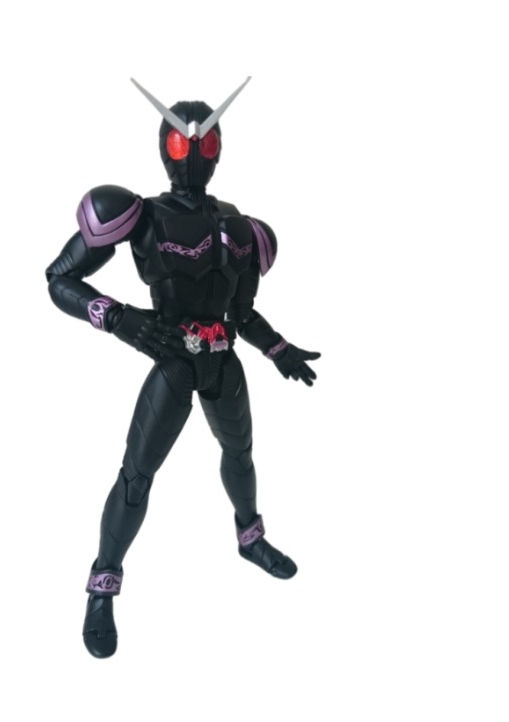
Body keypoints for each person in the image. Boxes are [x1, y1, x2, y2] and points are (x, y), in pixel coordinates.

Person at [46, 79, 320, 658]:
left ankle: (250, 539)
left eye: (206, 141)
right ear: (164, 147)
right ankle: (102, 587)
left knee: (240, 456)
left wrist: (279, 350)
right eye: (181, 143)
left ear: (219, 149)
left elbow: (242, 313)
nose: (194, 153)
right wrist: (118, 318)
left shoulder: (242, 226)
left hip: (222, 362)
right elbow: (60, 279)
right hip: (172, 359)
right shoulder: (140, 214)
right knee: (136, 476)